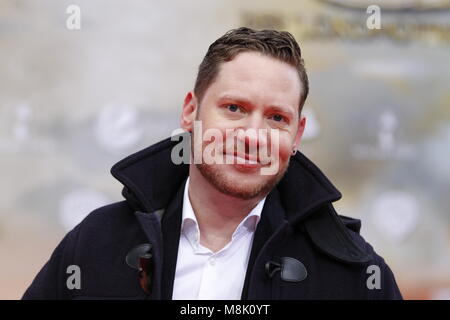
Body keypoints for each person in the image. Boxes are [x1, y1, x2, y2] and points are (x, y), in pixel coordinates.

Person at [23, 27, 402, 300]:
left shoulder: (354, 274)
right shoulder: (96, 242)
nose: (253, 136)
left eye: (276, 118)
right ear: (191, 111)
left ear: (297, 134)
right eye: (234, 108)